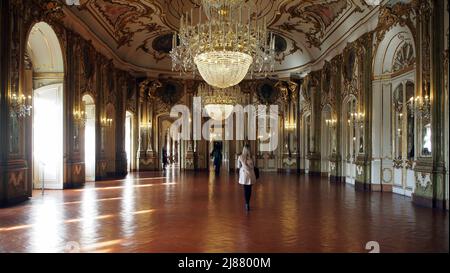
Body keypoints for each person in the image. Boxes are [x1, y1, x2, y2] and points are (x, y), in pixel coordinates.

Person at [238, 144, 256, 211]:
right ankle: (248, 202)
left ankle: (246, 204)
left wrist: (243, 167)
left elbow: (238, 166)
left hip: (244, 175)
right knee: (249, 189)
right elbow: (254, 166)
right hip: (250, 174)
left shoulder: (240, 157)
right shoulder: (252, 157)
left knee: (245, 189)